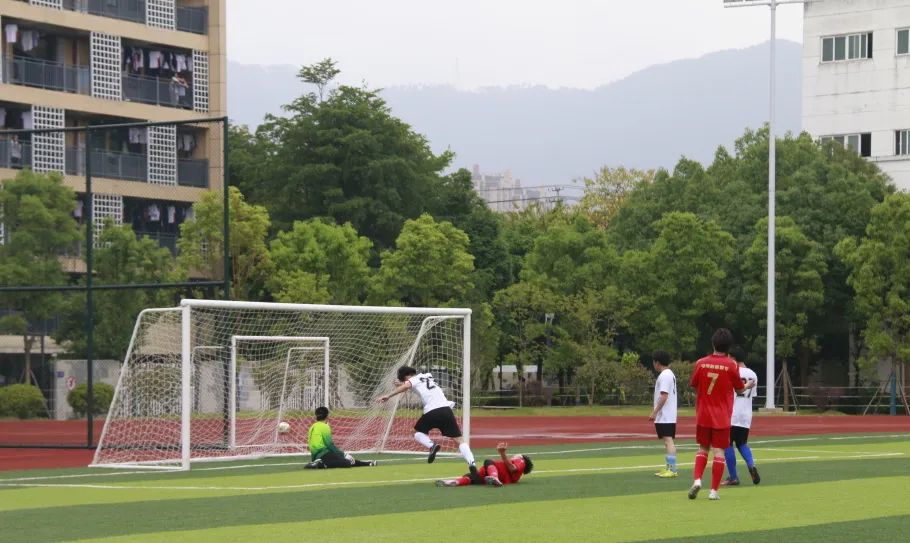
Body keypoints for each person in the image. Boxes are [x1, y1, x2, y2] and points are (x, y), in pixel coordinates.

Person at [379, 365, 477, 474]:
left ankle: (432, 445)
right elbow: (420, 387)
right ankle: (472, 463)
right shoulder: (428, 376)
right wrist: (403, 384)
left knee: (418, 434)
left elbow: (407, 386)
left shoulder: (412, 380)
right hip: (446, 409)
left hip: (431, 411)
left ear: (406, 376)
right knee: (459, 440)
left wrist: (388, 395)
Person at [687, 328, 745, 501]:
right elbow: (739, 389)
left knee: (703, 448)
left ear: (713, 343)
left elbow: (695, 385)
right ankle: (713, 491)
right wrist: (746, 386)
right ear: (729, 347)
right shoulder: (731, 365)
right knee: (718, 451)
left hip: (703, 413)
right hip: (721, 416)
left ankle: (697, 480)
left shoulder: (701, 362)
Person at [722, 347, 761, 486]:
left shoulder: (731, 371)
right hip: (746, 414)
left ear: (733, 358)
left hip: (732, 413)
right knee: (742, 443)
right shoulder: (753, 374)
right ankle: (751, 465)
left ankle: (733, 476)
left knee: (727, 444)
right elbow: (753, 396)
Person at [304, 406, 376, 469]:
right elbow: (329, 445)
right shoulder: (324, 426)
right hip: (323, 454)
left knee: (343, 460)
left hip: (315, 456)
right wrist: (343, 454)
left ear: (316, 416)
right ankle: (321, 464)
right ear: (327, 416)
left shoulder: (312, 427)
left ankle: (368, 463)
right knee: (346, 463)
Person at [435, 442, 533, 487]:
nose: (514, 455)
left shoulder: (521, 460)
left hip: (494, 473)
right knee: (471, 477)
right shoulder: (516, 476)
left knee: (488, 461)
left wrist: (503, 453)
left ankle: (495, 478)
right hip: (486, 476)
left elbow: (513, 468)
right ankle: (454, 482)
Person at [648, 350, 678, 478]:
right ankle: (669, 468)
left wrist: (655, 412)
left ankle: (672, 469)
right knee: (667, 441)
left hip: (665, 415)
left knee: (668, 441)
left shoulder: (664, 375)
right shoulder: (668, 374)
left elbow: (664, 396)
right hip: (667, 414)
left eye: (654, 362)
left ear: (657, 363)